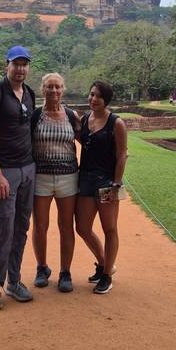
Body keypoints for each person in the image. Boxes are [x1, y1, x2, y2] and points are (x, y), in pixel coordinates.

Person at [0, 46, 36, 310]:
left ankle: (14, 280)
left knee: (22, 227)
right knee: (4, 226)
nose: (20, 69)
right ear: (7, 65)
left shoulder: (29, 94)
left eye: (25, 64)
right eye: (16, 64)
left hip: (27, 170)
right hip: (5, 172)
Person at [75, 80, 127, 294]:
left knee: (109, 228)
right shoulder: (86, 119)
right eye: (91, 94)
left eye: (98, 96)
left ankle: (106, 276)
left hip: (107, 183)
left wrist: (116, 185)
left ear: (106, 100)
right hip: (86, 180)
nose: (93, 99)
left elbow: (122, 154)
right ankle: (105, 264)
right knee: (83, 228)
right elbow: (84, 141)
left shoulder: (116, 123)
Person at [31, 73, 80, 293]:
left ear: (63, 89)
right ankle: (42, 267)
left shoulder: (71, 116)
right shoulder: (35, 116)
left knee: (66, 225)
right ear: (42, 90)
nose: (54, 91)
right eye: (49, 87)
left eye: (57, 87)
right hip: (40, 177)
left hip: (68, 178)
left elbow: (88, 141)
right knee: (40, 226)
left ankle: (65, 272)